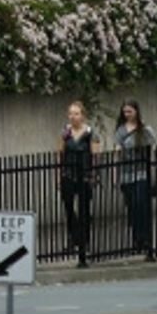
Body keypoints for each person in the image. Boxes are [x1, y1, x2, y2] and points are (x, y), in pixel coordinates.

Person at [111, 99, 157, 254]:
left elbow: (151, 151)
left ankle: (146, 238)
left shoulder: (145, 129)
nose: (127, 114)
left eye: (129, 111)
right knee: (132, 208)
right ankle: (137, 239)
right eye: (125, 112)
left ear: (136, 111)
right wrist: (114, 175)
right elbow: (116, 153)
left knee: (142, 205)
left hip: (142, 173)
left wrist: (153, 171)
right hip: (127, 174)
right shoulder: (121, 130)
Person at [58, 100, 100, 255]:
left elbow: (95, 155)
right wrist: (58, 176)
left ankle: (84, 241)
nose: (72, 117)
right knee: (69, 209)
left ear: (82, 115)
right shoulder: (65, 132)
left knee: (84, 210)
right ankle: (72, 238)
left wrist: (94, 174)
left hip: (84, 175)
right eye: (70, 113)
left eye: (76, 113)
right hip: (68, 174)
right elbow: (60, 154)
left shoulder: (90, 133)